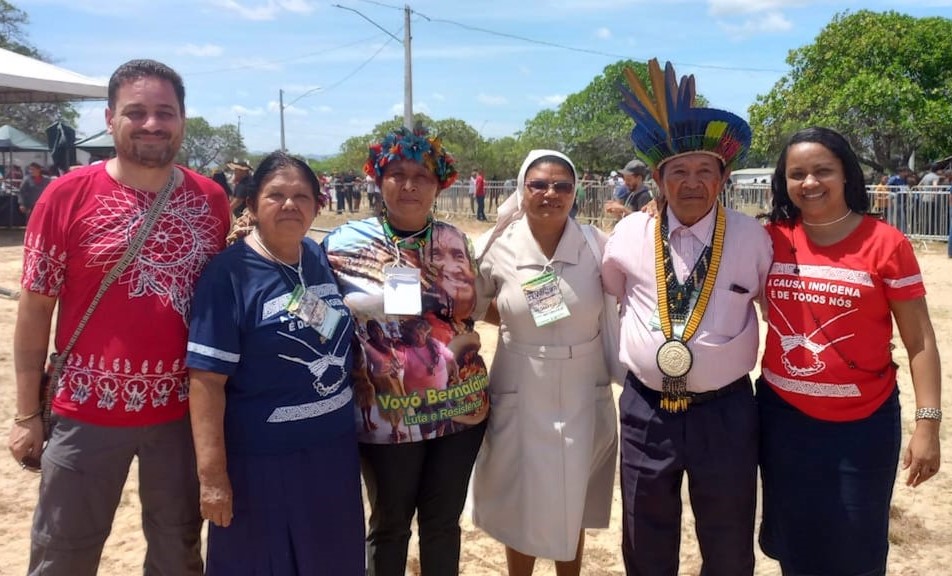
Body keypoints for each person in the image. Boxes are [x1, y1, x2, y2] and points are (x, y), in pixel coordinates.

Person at [7, 58, 231, 575]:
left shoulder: (211, 200)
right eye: (136, 112)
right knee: (62, 553)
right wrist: (25, 415)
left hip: (181, 417)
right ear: (110, 119)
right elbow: (36, 309)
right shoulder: (65, 196)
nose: (151, 124)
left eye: (164, 112)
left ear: (182, 119)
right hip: (85, 414)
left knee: (178, 552)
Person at [603, 58, 772, 576]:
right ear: (659, 179)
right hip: (645, 410)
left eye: (705, 171)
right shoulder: (630, 234)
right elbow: (610, 296)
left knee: (727, 535)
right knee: (644, 532)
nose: (692, 182)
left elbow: (777, 311)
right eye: (679, 171)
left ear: (724, 177)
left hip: (725, 413)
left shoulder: (753, 239)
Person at [758, 126, 942, 576]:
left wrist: (928, 426)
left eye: (823, 170)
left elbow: (920, 340)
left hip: (862, 427)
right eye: (797, 173)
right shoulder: (768, 238)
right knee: (796, 548)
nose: (809, 183)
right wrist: (657, 208)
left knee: (855, 552)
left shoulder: (886, 243)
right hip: (782, 420)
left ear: (847, 175)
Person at [186, 151, 364, 575]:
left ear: (318, 206)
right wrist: (212, 478)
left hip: (332, 454)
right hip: (262, 464)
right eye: (276, 195)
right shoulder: (228, 275)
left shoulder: (318, 259)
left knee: (332, 562)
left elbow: (338, 333)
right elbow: (206, 381)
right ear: (252, 205)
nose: (290, 205)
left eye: (302, 196)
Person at [323, 126, 489, 576]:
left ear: (439, 185)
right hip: (386, 413)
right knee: (390, 524)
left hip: (460, 409)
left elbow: (482, 304)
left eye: (422, 175)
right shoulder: (341, 244)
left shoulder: (457, 240)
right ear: (379, 180)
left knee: (442, 523)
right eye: (397, 173)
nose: (410, 184)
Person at [472, 149, 619, 576]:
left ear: (575, 193)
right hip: (520, 378)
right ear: (522, 189)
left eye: (562, 186)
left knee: (570, 495)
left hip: (582, 382)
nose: (550, 193)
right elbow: (477, 302)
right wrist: (521, 320)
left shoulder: (596, 244)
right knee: (523, 497)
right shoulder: (496, 246)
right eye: (538, 184)